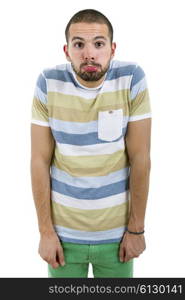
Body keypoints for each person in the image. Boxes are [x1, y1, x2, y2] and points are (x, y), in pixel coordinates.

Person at [30, 9, 152, 278]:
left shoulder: (131, 78)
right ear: (66, 50)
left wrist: (136, 229)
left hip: (118, 239)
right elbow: (39, 161)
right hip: (62, 240)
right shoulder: (48, 83)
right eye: (79, 44)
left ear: (112, 48)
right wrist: (45, 232)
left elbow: (141, 158)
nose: (89, 53)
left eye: (99, 44)